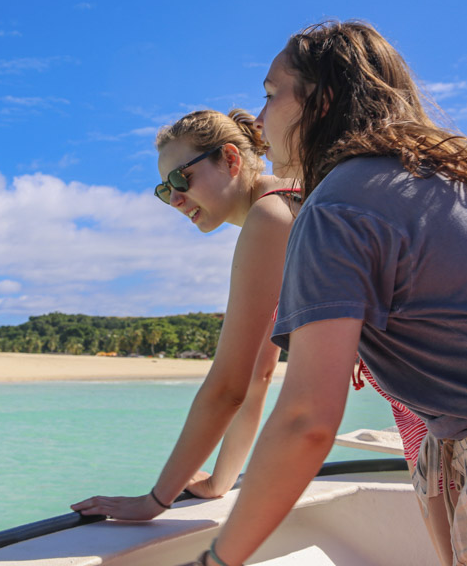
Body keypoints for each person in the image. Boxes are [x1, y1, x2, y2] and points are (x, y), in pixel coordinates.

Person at [189, 20, 467, 566]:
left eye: (272, 95)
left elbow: (306, 420)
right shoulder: (447, 178)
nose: (258, 119)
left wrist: (216, 560)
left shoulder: (335, 207)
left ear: (318, 104)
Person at [70, 108, 301, 519]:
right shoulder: (289, 197)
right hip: (432, 402)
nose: (175, 200)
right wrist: (218, 482)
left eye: (181, 179)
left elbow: (228, 387)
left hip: (441, 415)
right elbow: (257, 376)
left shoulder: (270, 215)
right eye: (164, 190)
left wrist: (155, 500)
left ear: (231, 160)